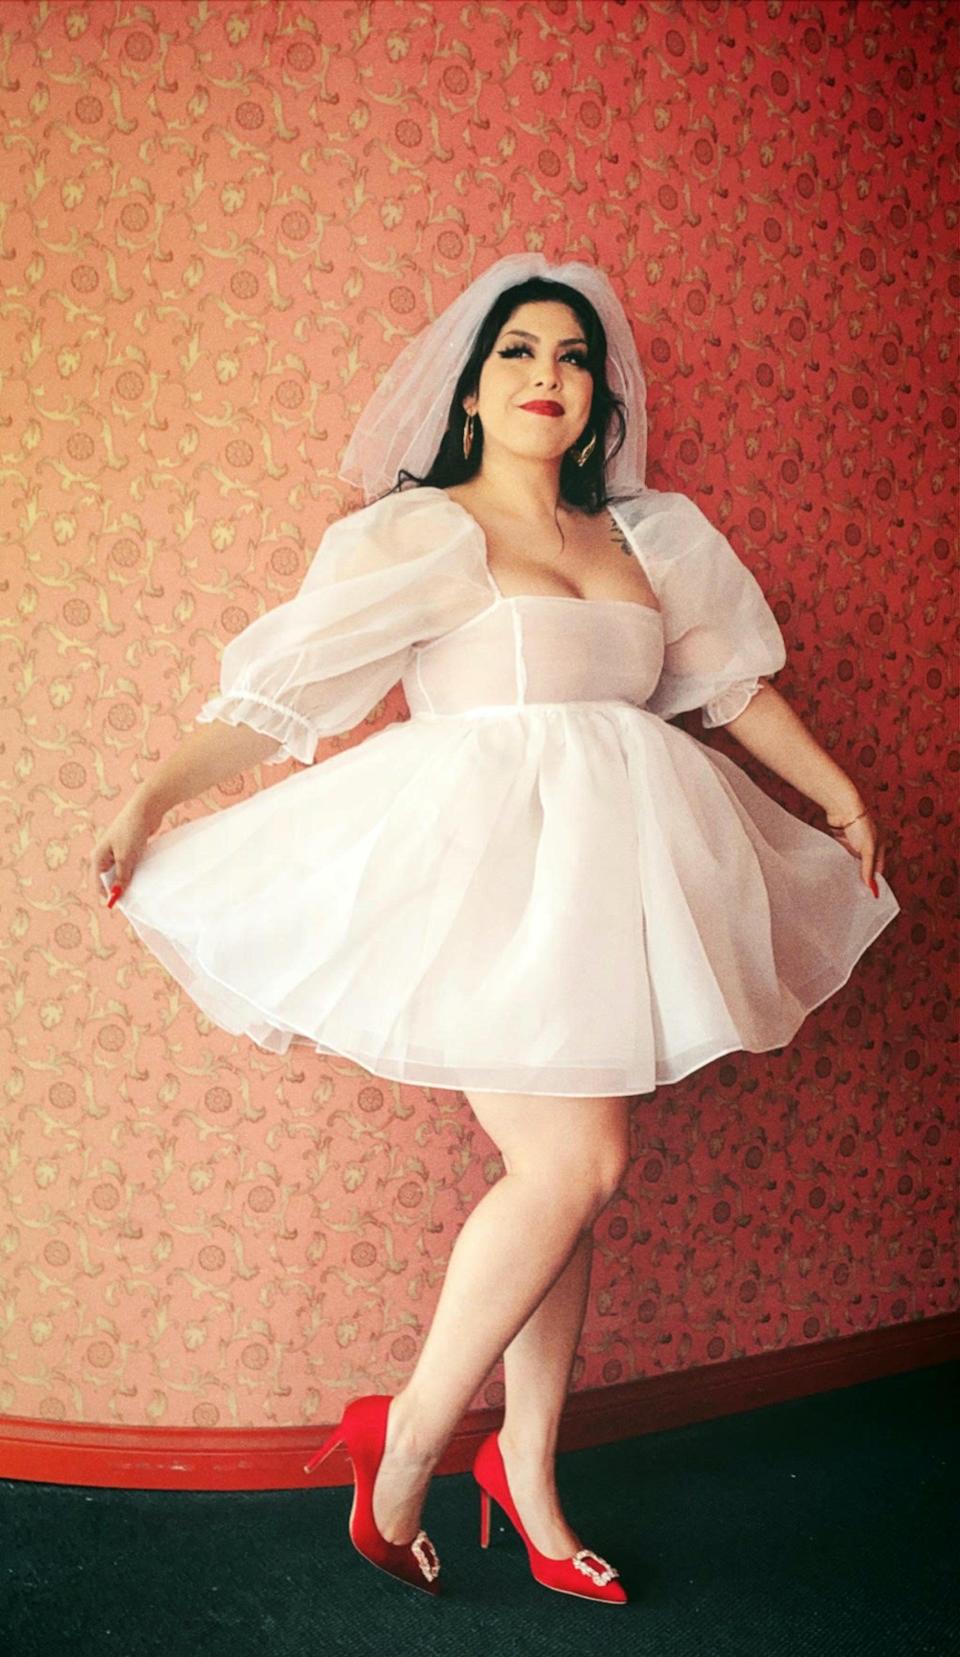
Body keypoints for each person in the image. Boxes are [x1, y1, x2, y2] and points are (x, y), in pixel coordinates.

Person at [90, 254, 899, 1604]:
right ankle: (405, 1442)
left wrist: (837, 792)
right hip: (477, 875)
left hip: (614, 871)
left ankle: (527, 1474)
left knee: (569, 1185)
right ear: (469, 391)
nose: (547, 377)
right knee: (577, 1163)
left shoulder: (646, 537)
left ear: (598, 395)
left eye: (572, 359)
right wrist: (148, 795)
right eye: (518, 353)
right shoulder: (418, 534)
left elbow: (725, 687)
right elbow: (289, 691)